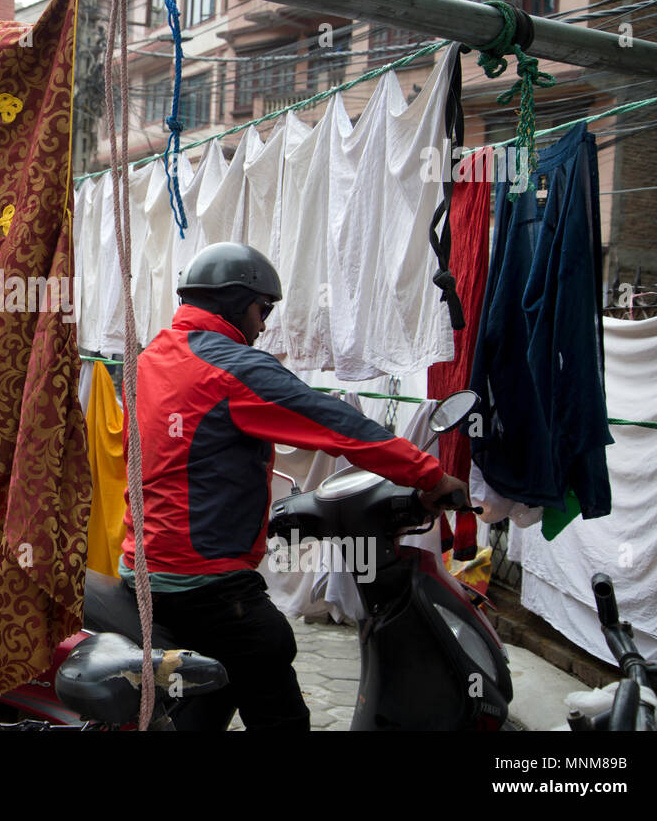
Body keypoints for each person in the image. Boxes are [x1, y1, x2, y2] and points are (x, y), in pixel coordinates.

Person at [118, 242, 468, 730]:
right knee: (271, 662)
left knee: (219, 685)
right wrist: (429, 476)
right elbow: (334, 421)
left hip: (141, 566)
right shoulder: (233, 367)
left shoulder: (149, 357)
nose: (263, 326)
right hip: (205, 580)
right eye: (263, 310)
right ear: (236, 302)